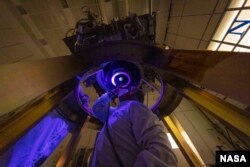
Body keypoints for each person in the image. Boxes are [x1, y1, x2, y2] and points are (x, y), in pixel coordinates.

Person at [90, 87, 177, 167]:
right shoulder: (115, 112)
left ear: (132, 92)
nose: (122, 88)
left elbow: (162, 152)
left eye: (126, 87)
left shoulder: (134, 106)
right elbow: (97, 108)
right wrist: (110, 93)